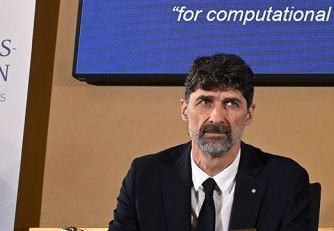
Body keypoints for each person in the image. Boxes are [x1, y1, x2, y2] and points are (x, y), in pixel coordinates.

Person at [108, 54, 310, 231]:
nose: (216, 117)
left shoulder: (285, 180)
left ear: (249, 114)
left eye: (231, 103)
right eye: (205, 101)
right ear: (184, 109)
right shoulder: (145, 176)